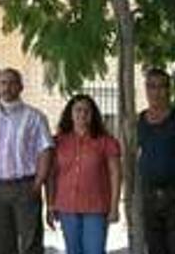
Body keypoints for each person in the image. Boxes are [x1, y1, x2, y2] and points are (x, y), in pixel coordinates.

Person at [0, 68, 54, 254]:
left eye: (11, 83)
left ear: (20, 87)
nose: (6, 87)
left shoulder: (35, 117)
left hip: (25, 187)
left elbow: (45, 151)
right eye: (3, 83)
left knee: (30, 243)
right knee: (1, 244)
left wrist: (37, 183)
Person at [47, 94, 121, 254]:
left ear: (93, 114)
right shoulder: (58, 142)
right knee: (73, 251)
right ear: (70, 114)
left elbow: (115, 175)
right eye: (78, 110)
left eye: (86, 110)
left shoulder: (106, 142)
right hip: (67, 207)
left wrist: (114, 206)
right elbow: (52, 175)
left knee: (94, 250)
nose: (82, 114)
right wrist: (50, 204)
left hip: (96, 207)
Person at [137, 67, 175, 254]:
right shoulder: (140, 120)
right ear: (146, 90)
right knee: (155, 249)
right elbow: (134, 155)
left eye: (161, 87)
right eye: (151, 87)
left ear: (168, 90)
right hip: (149, 196)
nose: (156, 92)